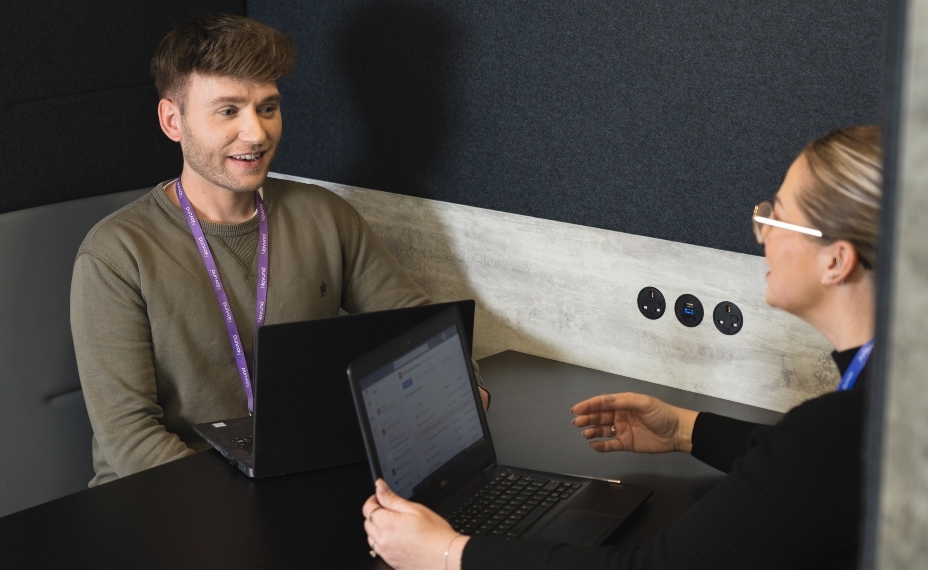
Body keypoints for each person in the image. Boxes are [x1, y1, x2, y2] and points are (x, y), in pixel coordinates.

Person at [361, 125, 882, 569]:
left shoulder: (847, 423)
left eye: (777, 217)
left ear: (836, 261)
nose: (761, 234)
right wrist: (683, 428)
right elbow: (806, 469)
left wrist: (448, 552)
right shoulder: (887, 390)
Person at [70, 13, 488, 487]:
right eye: (228, 111)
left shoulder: (325, 215)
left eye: (267, 108)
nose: (257, 134)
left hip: (293, 480)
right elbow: (129, 438)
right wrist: (248, 510)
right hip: (163, 500)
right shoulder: (115, 254)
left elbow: (420, 322)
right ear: (173, 121)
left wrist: (465, 386)